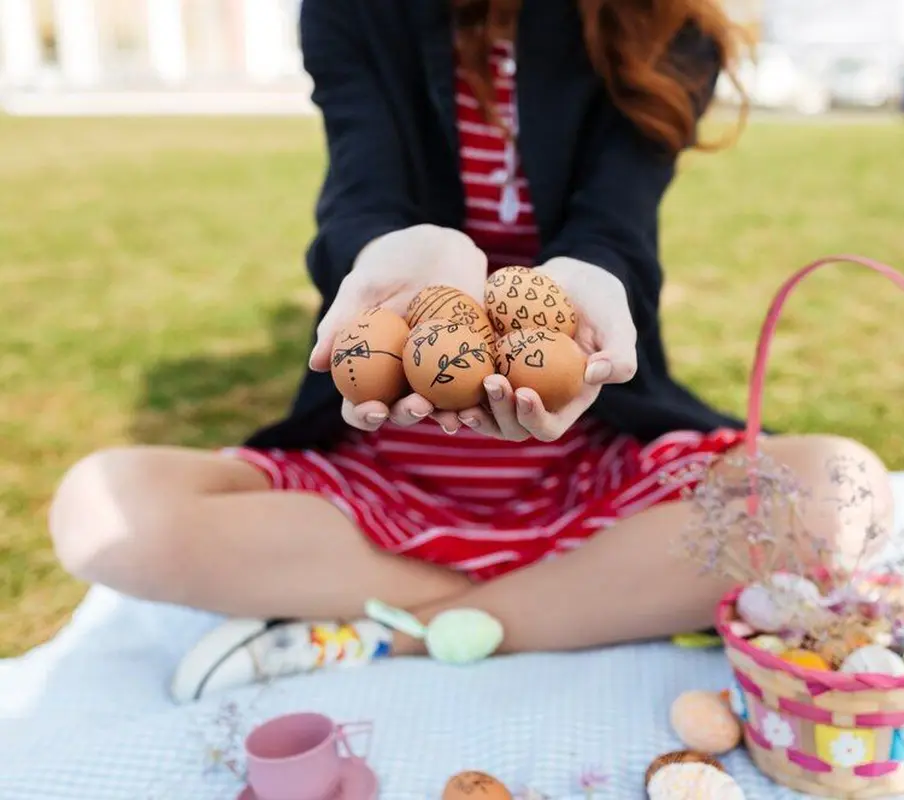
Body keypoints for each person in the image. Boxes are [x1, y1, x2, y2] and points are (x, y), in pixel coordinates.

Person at [48, 0, 807, 703]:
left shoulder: (665, 25)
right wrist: (391, 251)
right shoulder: (354, 10)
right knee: (101, 512)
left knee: (837, 493)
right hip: (385, 469)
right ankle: (578, 599)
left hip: (589, 466)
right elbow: (361, 188)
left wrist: (592, 281)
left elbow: (617, 223)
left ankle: (382, 633)